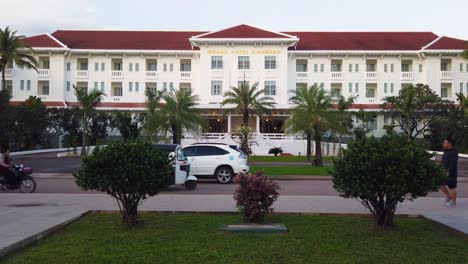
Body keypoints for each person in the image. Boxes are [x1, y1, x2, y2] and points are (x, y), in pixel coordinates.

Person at [440, 137, 458, 207]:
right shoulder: (446, 151)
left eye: (445, 143)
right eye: (444, 143)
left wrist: (448, 171)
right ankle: (449, 196)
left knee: (452, 187)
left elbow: (452, 164)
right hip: (443, 172)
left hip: (451, 173)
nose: (443, 144)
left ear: (450, 144)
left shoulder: (453, 153)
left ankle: (453, 202)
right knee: (440, 184)